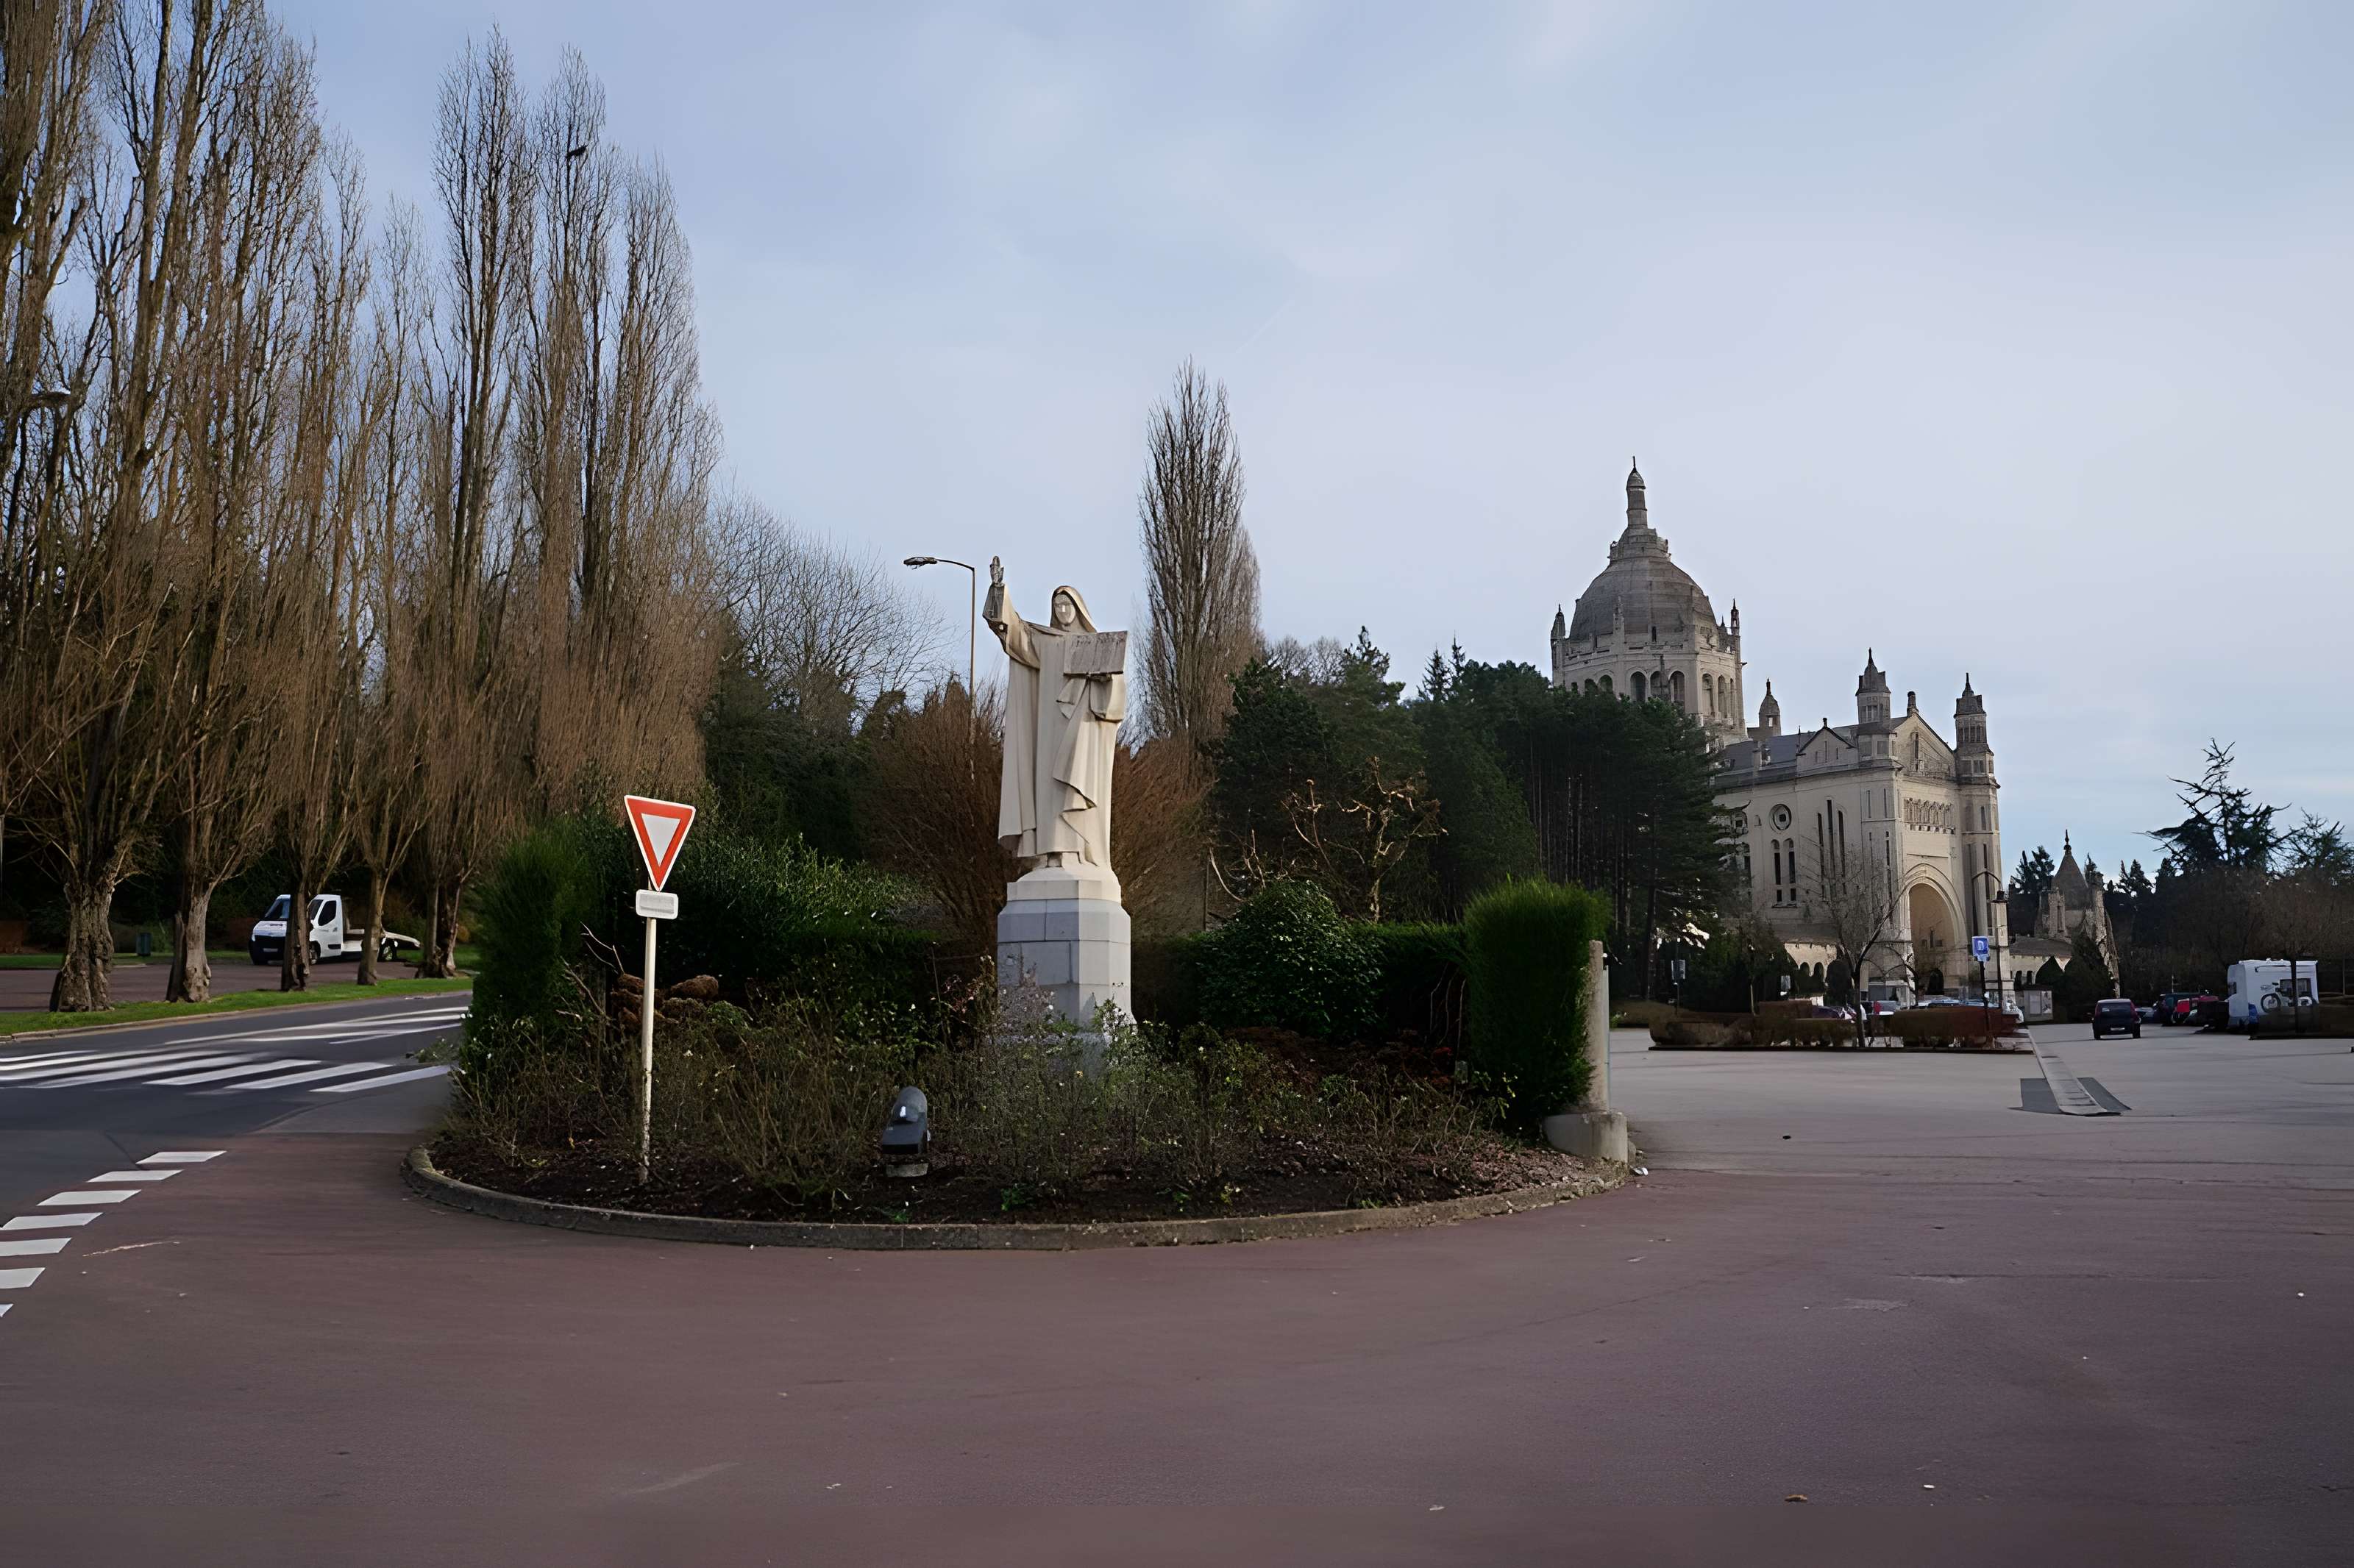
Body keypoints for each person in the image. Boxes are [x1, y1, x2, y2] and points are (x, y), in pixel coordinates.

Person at [982, 556, 1125, 881]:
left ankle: (1077, 852)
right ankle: (1048, 854)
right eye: (1057, 605)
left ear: (1078, 608)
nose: (1062, 611)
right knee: (1047, 791)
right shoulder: (1044, 642)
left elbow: (1116, 693)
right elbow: (1013, 633)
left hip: (1082, 728)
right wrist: (999, 589)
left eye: (1067, 605)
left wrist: (1106, 681)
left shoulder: (1095, 645)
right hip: (1047, 730)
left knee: (1074, 786)